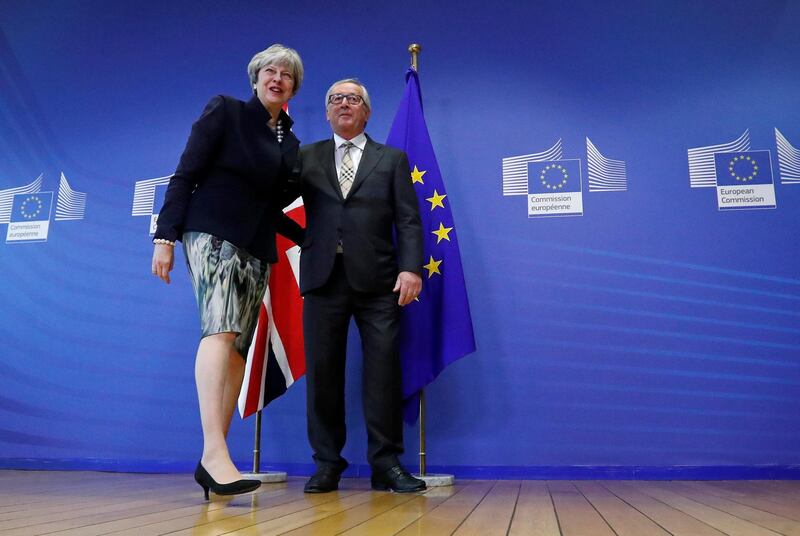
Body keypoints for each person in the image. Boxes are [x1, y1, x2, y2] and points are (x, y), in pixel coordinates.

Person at [151, 44, 304, 500]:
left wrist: (311, 241)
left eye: (287, 74)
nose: (277, 78)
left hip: (257, 248)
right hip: (212, 233)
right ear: (255, 78)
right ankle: (215, 454)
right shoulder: (227, 111)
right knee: (219, 331)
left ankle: (212, 463)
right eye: (269, 71)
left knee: (238, 348)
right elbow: (186, 173)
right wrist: (164, 236)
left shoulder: (289, 143)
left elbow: (270, 207)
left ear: (294, 87)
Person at [298, 78, 426, 493]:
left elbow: (407, 218)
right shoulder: (304, 156)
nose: (344, 105)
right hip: (322, 279)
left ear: (367, 111)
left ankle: (385, 464)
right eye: (335, 99)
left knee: (383, 374)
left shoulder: (391, 159)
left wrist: (411, 269)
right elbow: (276, 203)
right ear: (327, 112)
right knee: (323, 375)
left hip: (380, 283)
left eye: (352, 99)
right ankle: (327, 464)